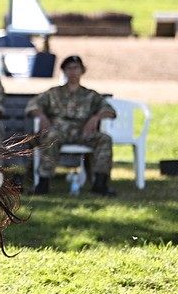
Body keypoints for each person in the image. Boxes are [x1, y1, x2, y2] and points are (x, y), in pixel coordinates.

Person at [26, 54, 117, 196]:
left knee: (104, 139)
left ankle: (100, 183)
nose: (73, 72)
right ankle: (43, 183)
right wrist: (41, 115)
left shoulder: (90, 95)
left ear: (82, 70)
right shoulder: (53, 93)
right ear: (64, 71)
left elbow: (110, 111)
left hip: (82, 131)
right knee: (50, 138)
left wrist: (96, 117)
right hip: (58, 130)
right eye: (69, 68)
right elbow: (32, 106)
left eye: (76, 68)